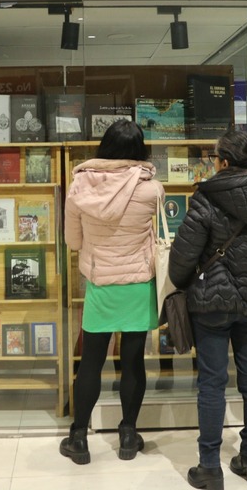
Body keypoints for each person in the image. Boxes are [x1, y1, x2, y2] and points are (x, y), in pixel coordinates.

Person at [169, 130, 247, 488]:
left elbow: (182, 258)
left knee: (212, 383)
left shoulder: (206, 199)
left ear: (222, 162)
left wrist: (184, 280)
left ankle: (209, 466)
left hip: (212, 302)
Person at [60, 119, 160, 465]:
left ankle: (78, 437)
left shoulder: (79, 187)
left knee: (91, 362)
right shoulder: (151, 190)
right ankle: (129, 435)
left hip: (101, 283)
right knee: (132, 361)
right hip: (136, 284)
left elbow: (73, 240)